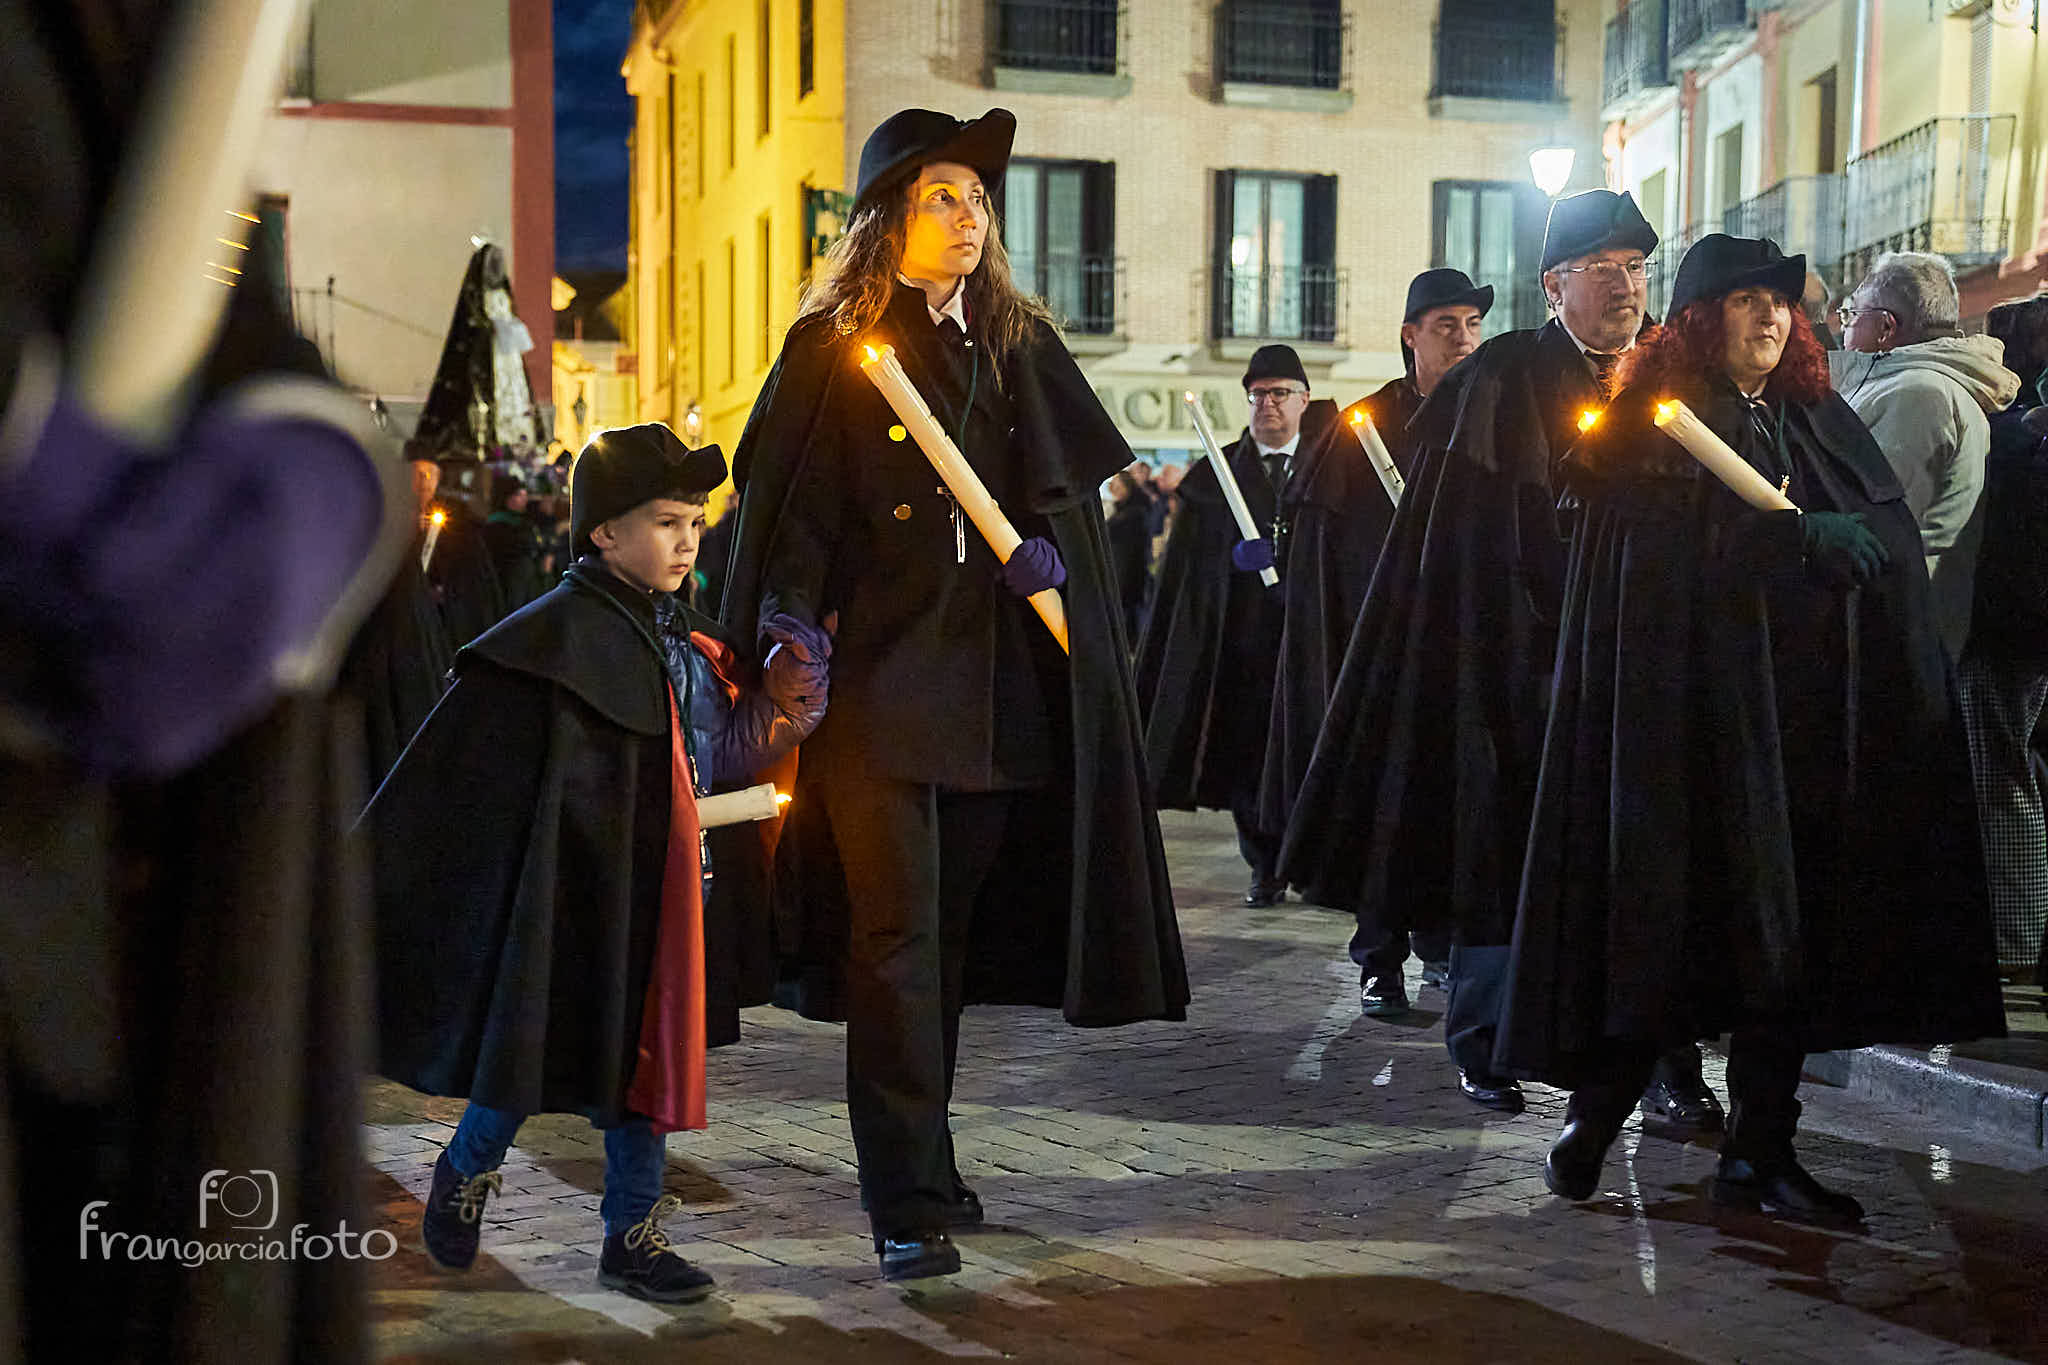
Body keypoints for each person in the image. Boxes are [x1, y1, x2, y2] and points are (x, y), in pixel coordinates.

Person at [719, 107, 1188, 1281]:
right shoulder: (837, 345)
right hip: (882, 702)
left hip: (997, 705)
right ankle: (902, 1198)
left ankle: (924, 1151)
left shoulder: (1018, 343)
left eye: (977, 197)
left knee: (952, 948)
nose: (967, 213)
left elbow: (1070, 508)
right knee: (893, 944)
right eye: (941, 195)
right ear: (887, 216)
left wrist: (1056, 558)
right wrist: (786, 622)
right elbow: (794, 514)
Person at [1501, 234, 2004, 1222]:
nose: (1769, 318)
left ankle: (1757, 1152)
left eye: (1781, 303)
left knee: (1785, 947)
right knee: (1656, 932)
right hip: (1678, 745)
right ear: (1698, 320)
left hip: (1793, 741)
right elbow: (1643, 592)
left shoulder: (1814, 419)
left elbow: (1877, 554)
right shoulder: (1644, 435)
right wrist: (1778, 541)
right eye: (1742, 302)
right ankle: (1593, 1120)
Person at [1281, 190, 1718, 1127]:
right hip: (1520, 666)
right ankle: (1483, 1041)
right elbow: (1467, 542)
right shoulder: (1508, 376)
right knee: (1499, 856)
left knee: (1648, 873)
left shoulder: (1669, 377)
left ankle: (1668, 1066)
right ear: (1553, 285)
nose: (1624, 286)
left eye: (1637, 267)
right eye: (1601, 268)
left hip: (1637, 675)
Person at [364, 425, 830, 1302]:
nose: (688, 540)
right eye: (665, 521)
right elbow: (469, 779)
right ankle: (465, 1169)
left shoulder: (686, 638)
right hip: (565, 896)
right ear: (604, 533)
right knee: (524, 1051)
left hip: (655, 898)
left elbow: (715, 754)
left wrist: (787, 709)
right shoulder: (545, 643)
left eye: (695, 521)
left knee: (641, 1071)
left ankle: (633, 1233)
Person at [1306, 267, 1493, 999]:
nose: (1463, 338)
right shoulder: (1367, 425)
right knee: (1383, 804)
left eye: (1473, 324)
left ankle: (1443, 940)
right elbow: (1328, 545)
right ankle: (1378, 955)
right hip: (1380, 647)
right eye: (1446, 324)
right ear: (1411, 335)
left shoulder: (1489, 417)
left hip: (1459, 646)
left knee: (1450, 803)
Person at [1137, 344, 1345, 907]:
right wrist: (1231, 558)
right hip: (1243, 644)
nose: (1267, 405)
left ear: (1304, 400)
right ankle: (1264, 864)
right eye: (1258, 395)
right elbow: (1189, 568)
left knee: (1306, 751)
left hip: (1306, 639)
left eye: (1280, 394)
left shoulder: (1330, 469)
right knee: (1248, 757)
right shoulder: (1217, 475)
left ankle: (1303, 857)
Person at [1831, 252, 2018, 661]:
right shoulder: (1912, 385)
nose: (1843, 328)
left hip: (1896, 630)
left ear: (1884, 327)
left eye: (1850, 315)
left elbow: (1877, 520)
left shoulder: (1918, 394)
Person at [1964, 296, 2048, 979]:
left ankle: (2016, 944)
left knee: (2005, 776)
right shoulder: (2020, 426)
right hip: (2019, 625)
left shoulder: (2020, 433)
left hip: (2013, 628)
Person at [480, 470, 549, 610]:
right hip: (509, 589)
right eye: (519, 495)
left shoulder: (524, 521)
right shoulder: (496, 526)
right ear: (506, 499)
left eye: (525, 495)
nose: (525, 499)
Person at [1105, 468, 1155, 640]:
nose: (1115, 491)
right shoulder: (1126, 511)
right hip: (1126, 570)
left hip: (1130, 571)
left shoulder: (1133, 514)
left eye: (1118, 487)